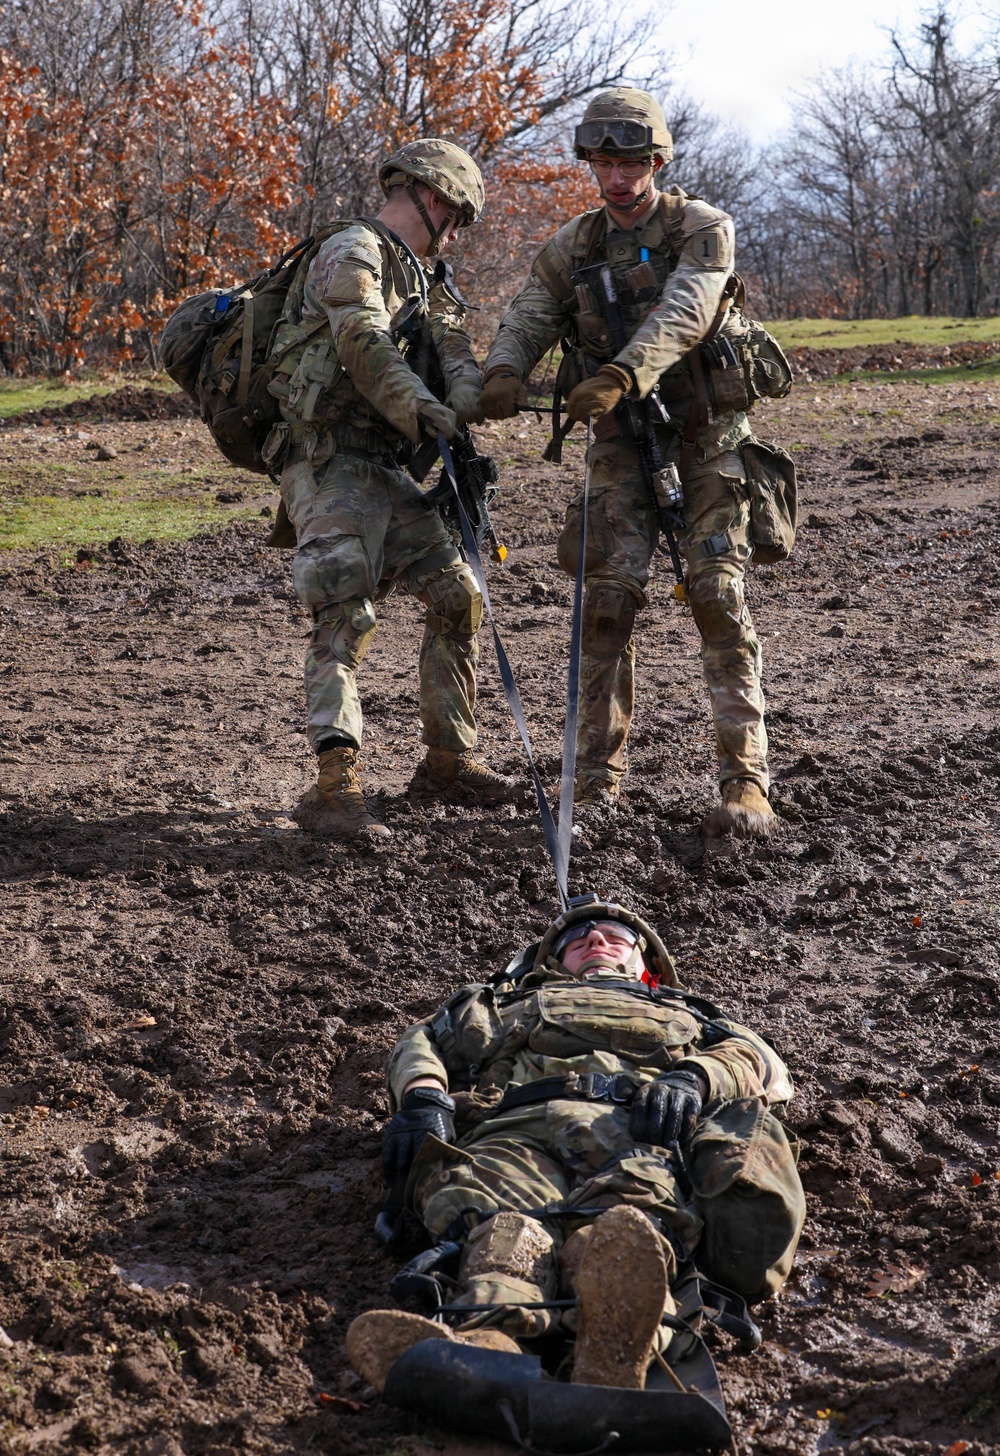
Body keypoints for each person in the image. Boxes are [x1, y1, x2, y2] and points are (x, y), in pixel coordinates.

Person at [477, 88, 794, 834]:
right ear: (591, 163)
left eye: (632, 161)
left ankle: (745, 783)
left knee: (717, 596)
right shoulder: (576, 245)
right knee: (606, 605)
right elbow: (529, 312)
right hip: (620, 445)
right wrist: (500, 373)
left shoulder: (701, 228)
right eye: (604, 161)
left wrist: (623, 372)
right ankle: (591, 786)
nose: (618, 177)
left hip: (710, 442)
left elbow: (689, 305)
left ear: (657, 161)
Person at [347, 895, 805, 1396]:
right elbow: (423, 1042)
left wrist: (694, 1078)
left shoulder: (693, 1016)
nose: (595, 941)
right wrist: (422, 1098)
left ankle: (616, 1351)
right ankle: (486, 1341)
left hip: (638, 1135)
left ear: (644, 961)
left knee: (623, 1232)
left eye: (615, 937)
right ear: (553, 960)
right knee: (504, 1228)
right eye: (577, 939)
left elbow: (759, 1064)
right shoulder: (504, 1003)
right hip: (513, 1129)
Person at [265, 139, 511, 841]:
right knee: (346, 609)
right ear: (432, 197)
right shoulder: (352, 250)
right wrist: (427, 412)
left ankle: (447, 761)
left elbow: (455, 353)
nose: (456, 233)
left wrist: (477, 400)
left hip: (384, 468)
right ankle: (334, 789)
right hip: (329, 461)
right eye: (457, 217)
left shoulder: (425, 277)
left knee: (456, 595)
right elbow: (363, 346)